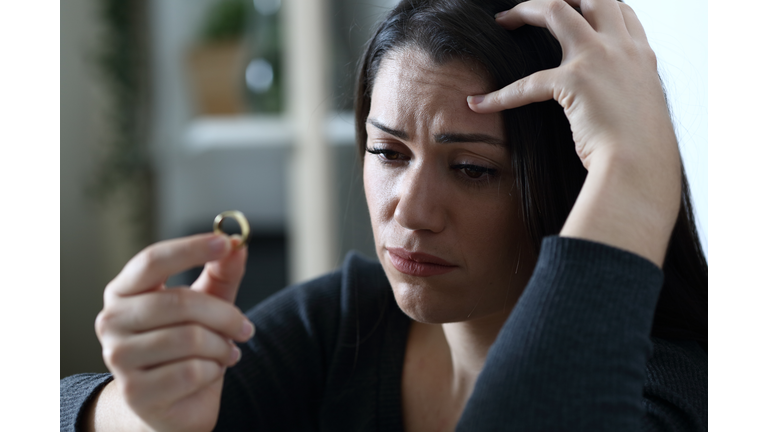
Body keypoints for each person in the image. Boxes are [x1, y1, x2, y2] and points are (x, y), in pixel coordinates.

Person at [60, 0, 707, 431]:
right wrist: (137, 413)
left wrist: (633, 172)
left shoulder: (680, 390)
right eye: (387, 151)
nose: (411, 211)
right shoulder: (347, 320)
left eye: (473, 169)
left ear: (573, 180)